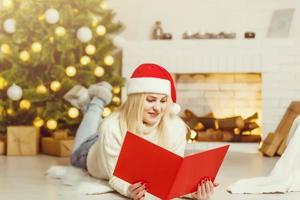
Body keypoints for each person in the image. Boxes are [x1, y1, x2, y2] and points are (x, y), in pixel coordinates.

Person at [68, 63, 217, 200]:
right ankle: (95, 103)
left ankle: (89, 105)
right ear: (136, 101)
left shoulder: (176, 127)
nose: (158, 108)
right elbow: (114, 176)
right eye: (151, 100)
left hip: (112, 135)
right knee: (76, 152)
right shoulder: (111, 127)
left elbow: (171, 177)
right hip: (90, 152)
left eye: (163, 101)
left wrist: (191, 191)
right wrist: (128, 189)